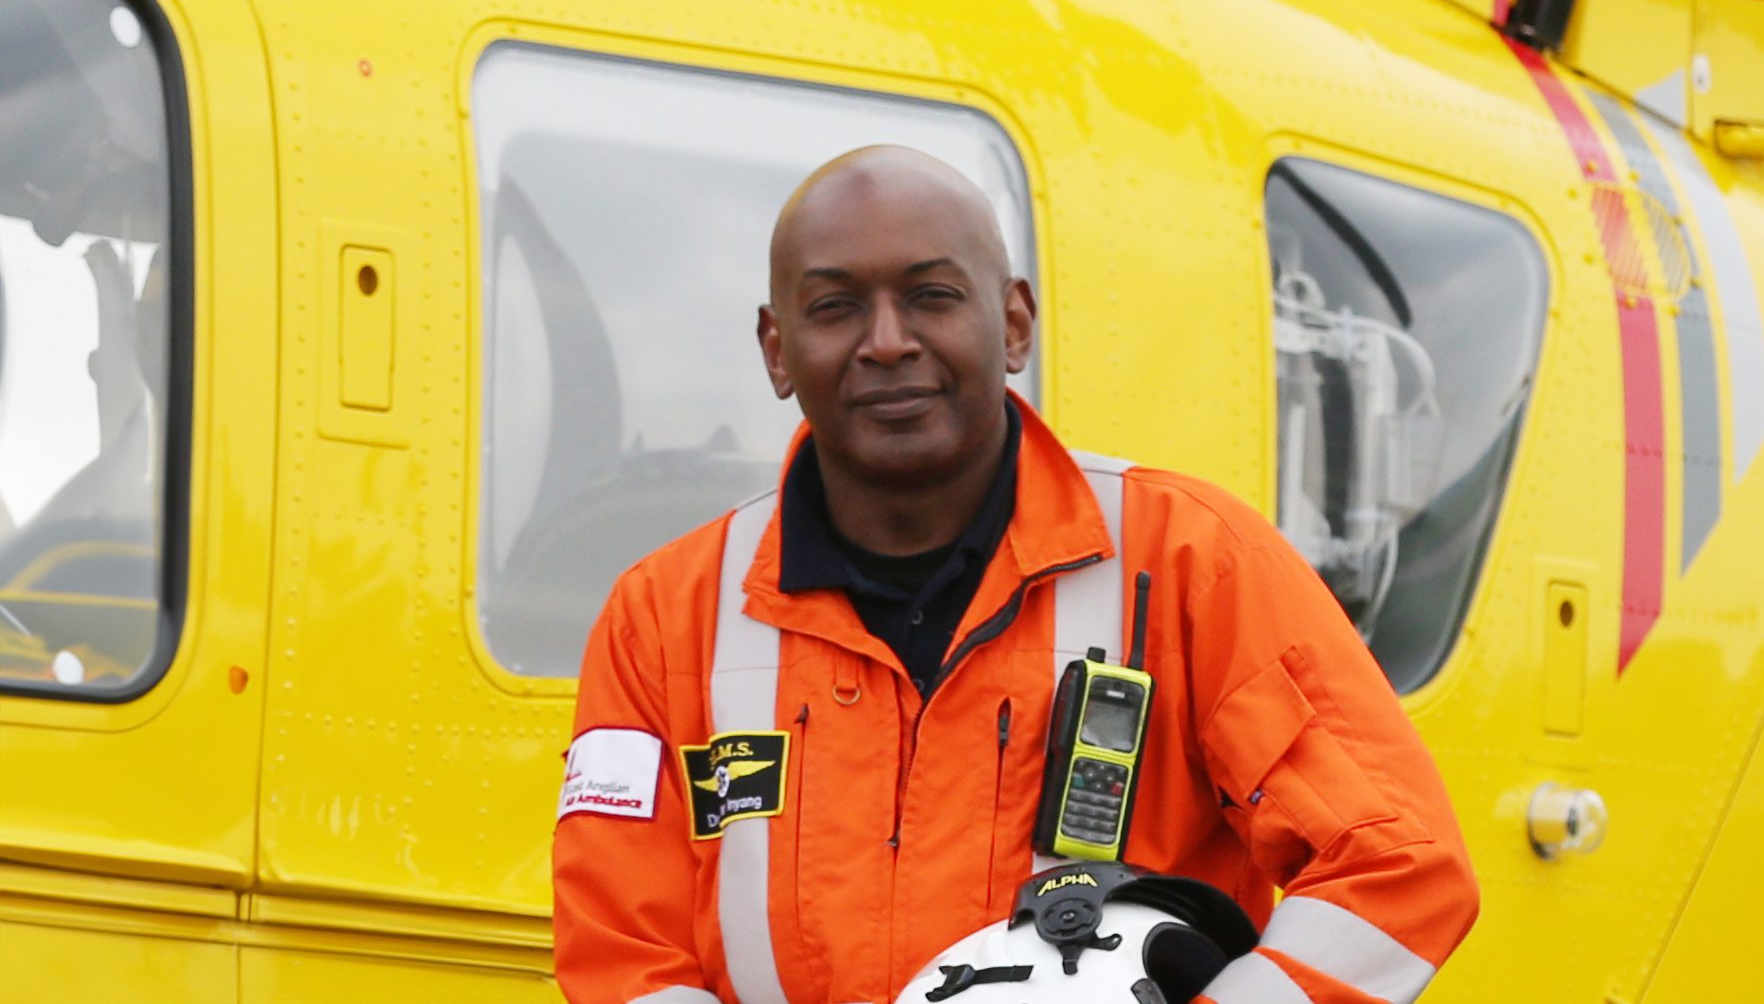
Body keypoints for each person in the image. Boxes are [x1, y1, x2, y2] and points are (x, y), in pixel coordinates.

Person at [553, 146, 1479, 1004]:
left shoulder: (1193, 562)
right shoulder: (662, 620)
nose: (886, 342)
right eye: (834, 307)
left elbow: (1401, 863)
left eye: (932, 297)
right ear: (775, 349)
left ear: (1014, 323)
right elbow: (622, 957)